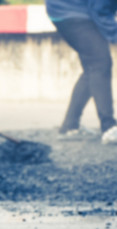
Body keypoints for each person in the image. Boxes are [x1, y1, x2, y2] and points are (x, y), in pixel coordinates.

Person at [46, 0, 117, 144]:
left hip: (66, 9)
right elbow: (100, 9)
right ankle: (109, 127)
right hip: (72, 12)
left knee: (93, 68)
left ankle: (69, 126)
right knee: (99, 63)